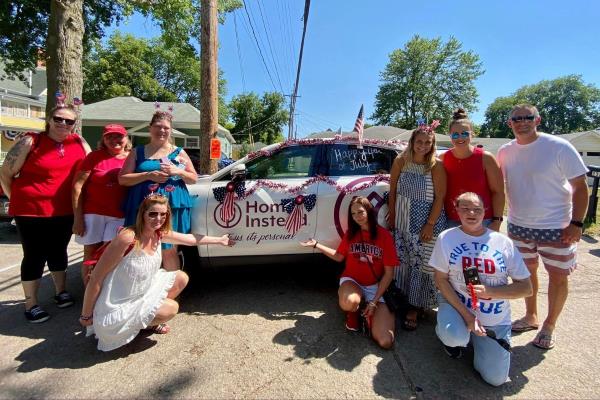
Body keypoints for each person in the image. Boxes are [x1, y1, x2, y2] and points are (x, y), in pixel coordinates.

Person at [79, 194, 234, 352]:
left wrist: (220, 240)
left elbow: (190, 239)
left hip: (140, 292)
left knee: (181, 277)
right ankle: (133, 324)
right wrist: (86, 316)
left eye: (163, 214)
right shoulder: (127, 238)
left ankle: (145, 322)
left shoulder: (159, 233)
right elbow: (96, 279)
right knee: (171, 308)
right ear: (142, 214)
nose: (158, 218)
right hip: (117, 306)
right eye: (152, 214)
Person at [497, 104, 589, 350]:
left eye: (528, 117)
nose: (522, 122)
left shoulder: (558, 147)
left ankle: (549, 325)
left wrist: (577, 223)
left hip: (557, 227)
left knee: (558, 277)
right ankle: (531, 316)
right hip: (519, 226)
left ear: (538, 120)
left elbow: (580, 187)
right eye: (517, 119)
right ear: (510, 123)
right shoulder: (505, 152)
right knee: (526, 274)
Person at [0, 103, 91, 323]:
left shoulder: (79, 143)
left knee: (58, 251)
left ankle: (60, 291)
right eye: (58, 119)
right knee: (34, 255)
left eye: (69, 121)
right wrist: (17, 200)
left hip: (64, 210)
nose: (63, 124)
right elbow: (5, 173)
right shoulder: (31, 141)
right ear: (50, 120)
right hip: (31, 211)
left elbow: (92, 168)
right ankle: (31, 303)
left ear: (74, 124)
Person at [430, 192, 533, 386]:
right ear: (457, 210)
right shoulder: (446, 238)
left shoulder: (503, 243)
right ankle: (454, 336)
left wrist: (491, 292)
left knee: (496, 380)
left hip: (494, 319)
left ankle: (477, 342)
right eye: (465, 208)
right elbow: (441, 280)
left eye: (477, 209)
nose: (471, 213)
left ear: (485, 212)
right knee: (454, 336)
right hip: (460, 308)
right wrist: (469, 318)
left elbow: (526, 288)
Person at [300, 196, 399, 349]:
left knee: (385, 341)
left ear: (369, 211)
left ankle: (369, 313)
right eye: (353, 214)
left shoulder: (384, 236)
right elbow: (339, 256)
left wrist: (374, 302)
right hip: (352, 281)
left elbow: (389, 274)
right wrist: (317, 245)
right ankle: (354, 313)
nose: (357, 217)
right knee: (349, 302)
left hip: (376, 287)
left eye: (360, 212)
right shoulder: (351, 234)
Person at [119, 110, 197, 271]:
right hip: (143, 208)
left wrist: (178, 171)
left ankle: (172, 292)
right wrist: (148, 175)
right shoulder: (137, 152)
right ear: (150, 128)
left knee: (168, 249)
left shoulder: (179, 152)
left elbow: (193, 178)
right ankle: (143, 291)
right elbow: (123, 179)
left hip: (172, 207)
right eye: (158, 126)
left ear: (171, 130)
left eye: (166, 128)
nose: (162, 130)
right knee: (140, 248)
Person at [387, 121, 447, 331]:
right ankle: (406, 300)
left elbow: (440, 197)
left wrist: (430, 224)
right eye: (419, 141)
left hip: (426, 224)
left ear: (432, 144)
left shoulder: (436, 165)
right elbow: (392, 191)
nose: (423, 146)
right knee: (405, 263)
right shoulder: (400, 161)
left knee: (423, 267)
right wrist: (393, 215)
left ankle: (416, 307)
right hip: (403, 221)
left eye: (428, 142)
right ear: (412, 142)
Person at [72, 124, 131, 284]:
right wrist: (78, 218)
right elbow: (78, 186)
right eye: (109, 137)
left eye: (119, 136)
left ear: (126, 139)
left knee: (111, 254)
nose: (115, 140)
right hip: (93, 213)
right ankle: (89, 296)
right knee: (90, 253)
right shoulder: (94, 157)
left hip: (119, 215)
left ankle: (104, 293)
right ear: (103, 140)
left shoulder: (132, 158)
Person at [441, 108, 505, 231]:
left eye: (465, 133)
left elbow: (498, 192)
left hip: (483, 221)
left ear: (472, 134)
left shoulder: (486, 157)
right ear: (450, 136)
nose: (460, 138)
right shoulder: (443, 158)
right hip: (451, 221)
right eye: (455, 134)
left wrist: (497, 221)